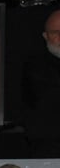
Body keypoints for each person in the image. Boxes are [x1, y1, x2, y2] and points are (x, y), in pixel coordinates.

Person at [22, 8, 60, 157]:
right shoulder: (36, 66)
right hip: (51, 150)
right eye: (54, 32)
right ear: (45, 36)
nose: (59, 37)